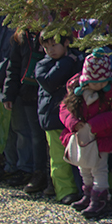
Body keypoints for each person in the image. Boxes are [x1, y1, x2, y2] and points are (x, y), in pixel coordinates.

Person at [59, 51, 112, 218]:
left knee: (99, 168)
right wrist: (73, 123)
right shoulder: (76, 92)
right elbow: (64, 108)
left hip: (101, 138)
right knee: (84, 167)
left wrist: (94, 125)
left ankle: (100, 197)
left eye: (101, 83)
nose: (96, 86)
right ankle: (88, 194)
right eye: (93, 83)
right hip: (81, 137)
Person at [34, 30, 83, 205]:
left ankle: (89, 188)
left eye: (54, 45)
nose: (50, 51)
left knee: (82, 154)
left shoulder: (78, 59)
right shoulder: (43, 65)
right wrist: (65, 62)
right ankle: (65, 191)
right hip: (52, 116)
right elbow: (49, 82)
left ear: (66, 43)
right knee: (58, 156)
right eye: (46, 47)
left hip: (75, 116)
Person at [1, 27, 48, 194]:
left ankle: (39, 171)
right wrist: (8, 94)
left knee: (37, 136)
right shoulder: (21, 36)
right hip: (23, 91)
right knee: (22, 131)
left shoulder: (50, 33)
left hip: (42, 91)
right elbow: (13, 66)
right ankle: (25, 168)